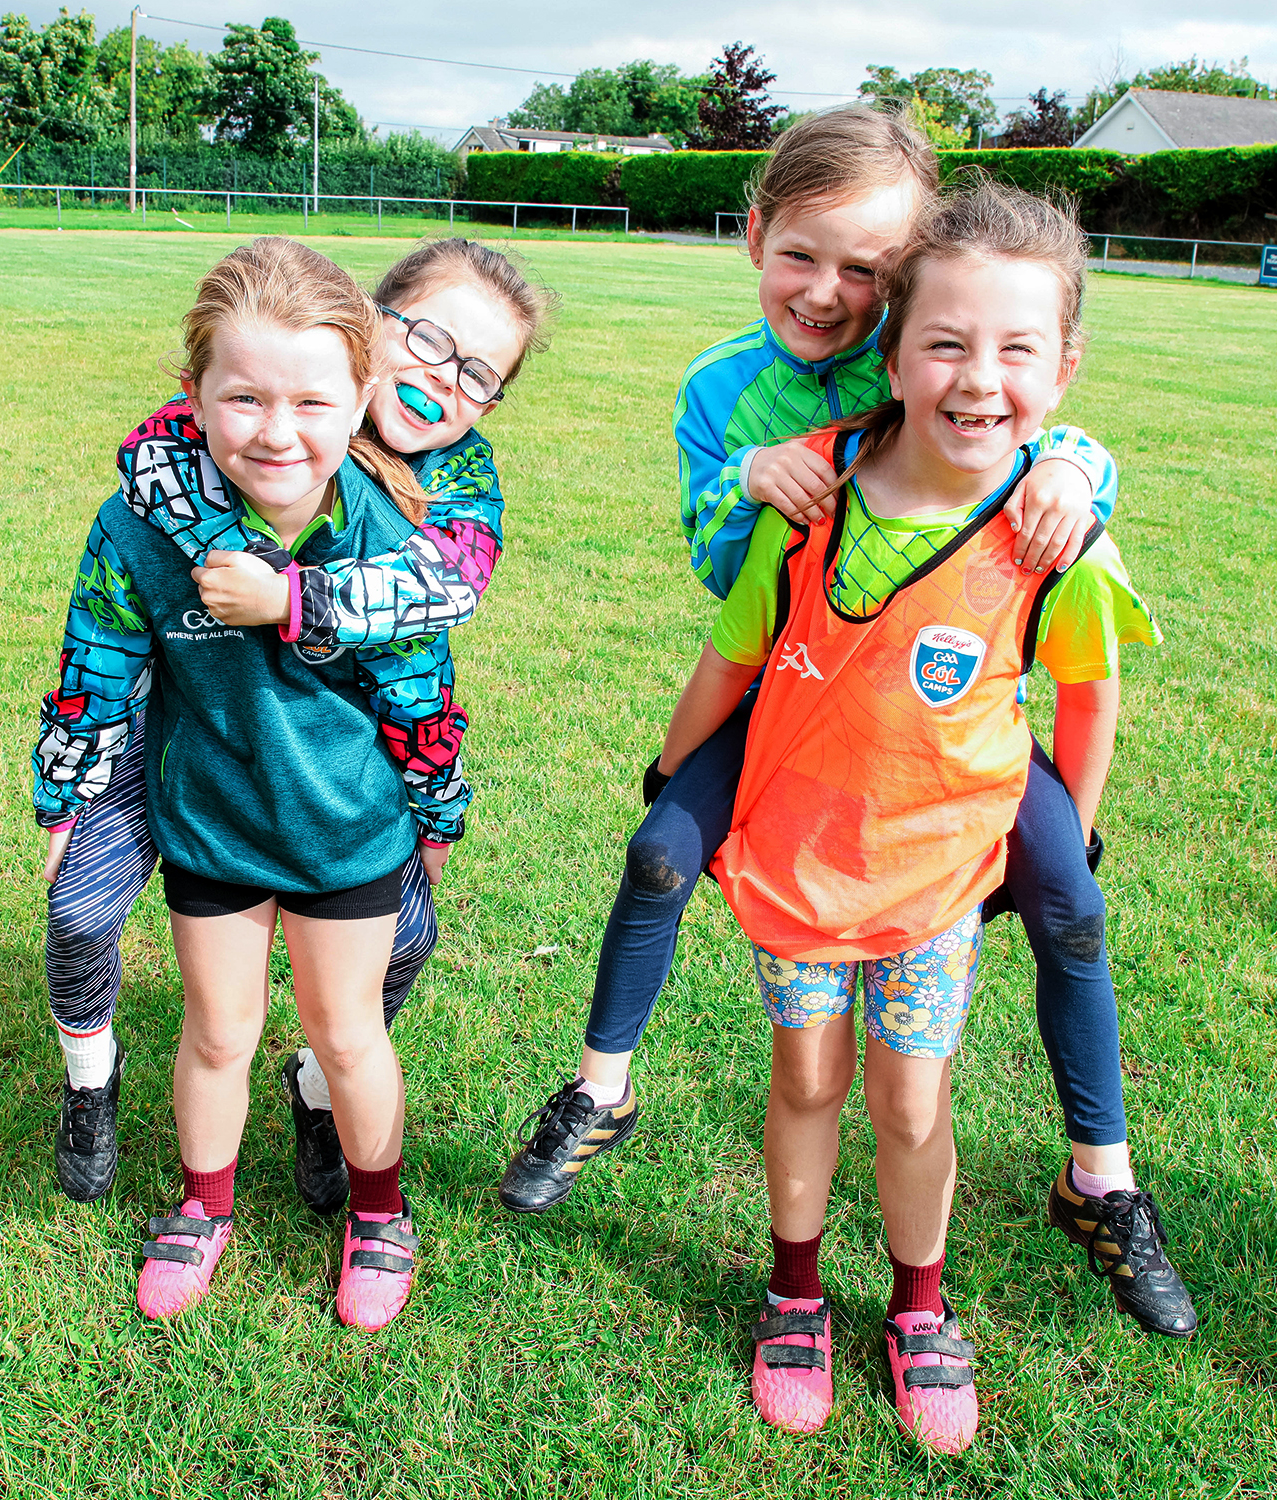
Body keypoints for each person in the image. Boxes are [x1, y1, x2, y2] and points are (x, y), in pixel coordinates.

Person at [499, 105, 1189, 1348]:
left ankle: (1103, 1177)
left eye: (865, 270)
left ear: (905, 273)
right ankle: (602, 1091)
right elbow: (723, 570)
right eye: (802, 256)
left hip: (940, 711)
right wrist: (747, 480)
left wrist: (1078, 470)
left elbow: (1019, 410)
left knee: (1071, 900)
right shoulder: (720, 388)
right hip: (793, 685)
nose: (828, 295)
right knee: (659, 850)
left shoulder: (915, 349)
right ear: (753, 234)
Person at [657, 180, 1162, 1446]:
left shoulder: (1052, 530)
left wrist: (1065, 831)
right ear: (893, 355)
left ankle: (921, 1308)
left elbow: (1090, 689)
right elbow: (730, 648)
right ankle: (794, 1292)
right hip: (801, 862)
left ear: (1066, 368)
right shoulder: (812, 508)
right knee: (806, 1079)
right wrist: (672, 780)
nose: (979, 377)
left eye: (1017, 349)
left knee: (913, 1102)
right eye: (945, 343)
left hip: (938, 875)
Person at [32, 237, 498, 1325]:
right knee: (217, 1033)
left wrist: (436, 812)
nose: (277, 432)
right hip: (213, 819)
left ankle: (380, 1214)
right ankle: (203, 1207)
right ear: (192, 394)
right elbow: (97, 656)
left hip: (347, 831)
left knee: (349, 1035)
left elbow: (422, 693)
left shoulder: (397, 539)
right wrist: (67, 795)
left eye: (311, 402)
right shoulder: (139, 525)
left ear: (362, 399)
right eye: (243, 398)